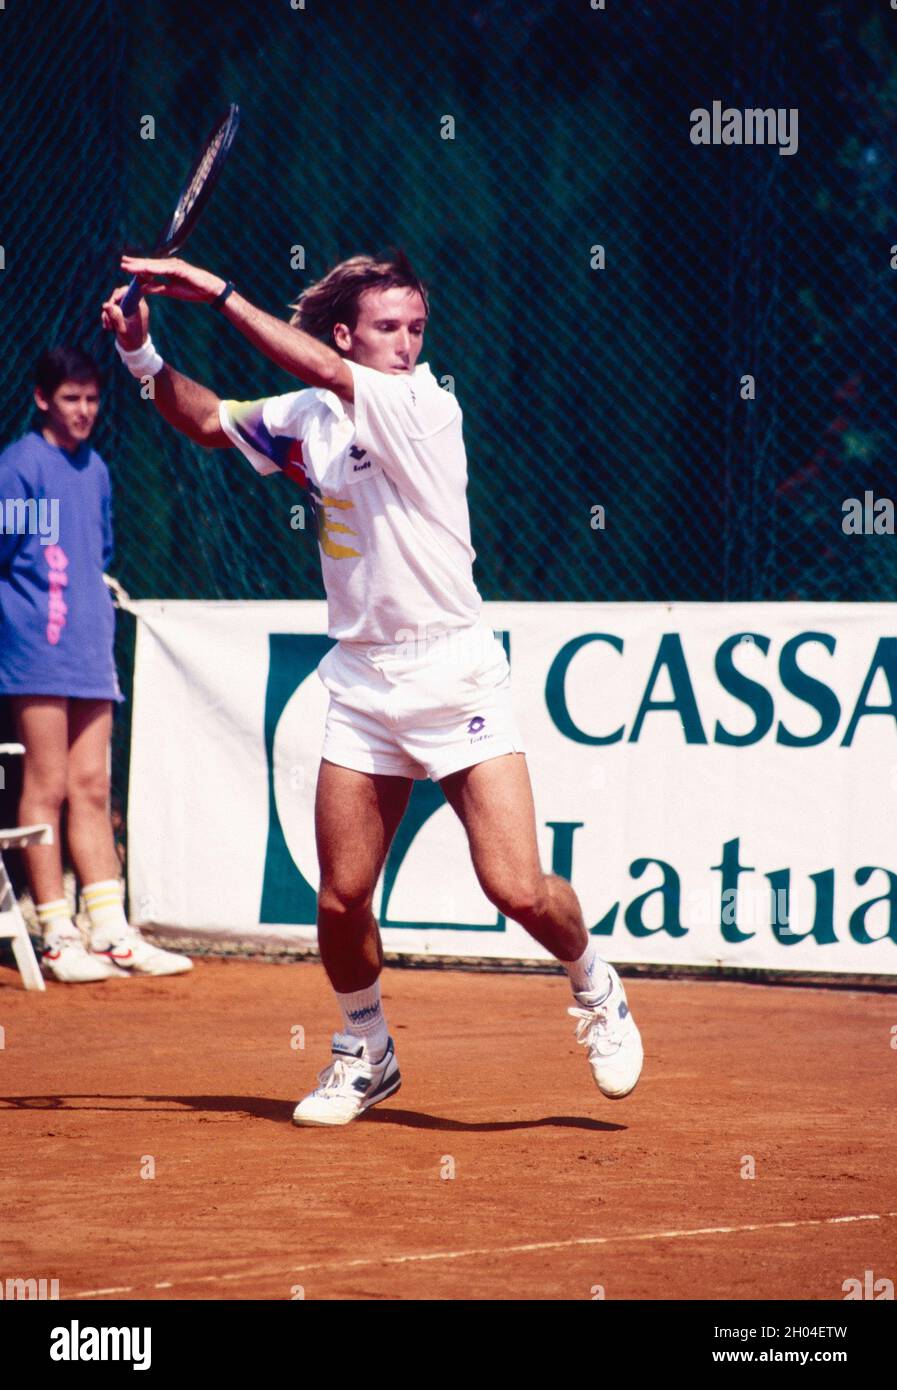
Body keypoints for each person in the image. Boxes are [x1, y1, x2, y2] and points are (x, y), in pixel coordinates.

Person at [101, 250, 642, 1122]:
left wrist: (218, 292)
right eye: (386, 329)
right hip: (361, 679)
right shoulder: (310, 415)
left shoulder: (422, 403)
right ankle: (365, 1049)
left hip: (453, 671)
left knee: (516, 890)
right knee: (341, 895)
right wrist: (142, 357)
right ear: (350, 330)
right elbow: (206, 421)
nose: (405, 344)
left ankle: (593, 982)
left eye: (415, 328)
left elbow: (315, 363)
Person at [0, 346, 192, 982]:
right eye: (70, 399)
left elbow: (97, 550)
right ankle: (55, 932)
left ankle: (109, 929)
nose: (83, 411)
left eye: (91, 399)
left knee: (90, 788)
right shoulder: (20, 467)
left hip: (90, 650)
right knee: (46, 785)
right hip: (35, 650)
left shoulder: (97, 470)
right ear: (42, 400)